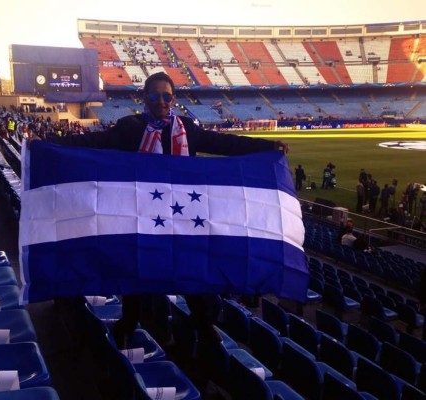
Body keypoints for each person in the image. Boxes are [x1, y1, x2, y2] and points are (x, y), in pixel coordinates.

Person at [35, 72, 288, 348]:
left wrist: (268, 147)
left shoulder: (187, 129)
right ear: (145, 98)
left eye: (166, 96)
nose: (161, 101)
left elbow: (225, 143)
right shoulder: (130, 128)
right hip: (143, 215)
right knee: (139, 273)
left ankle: (202, 324)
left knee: (191, 271)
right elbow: (93, 143)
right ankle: (128, 325)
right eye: (154, 96)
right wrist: (47, 145)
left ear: (174, 99)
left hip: (183, 217)